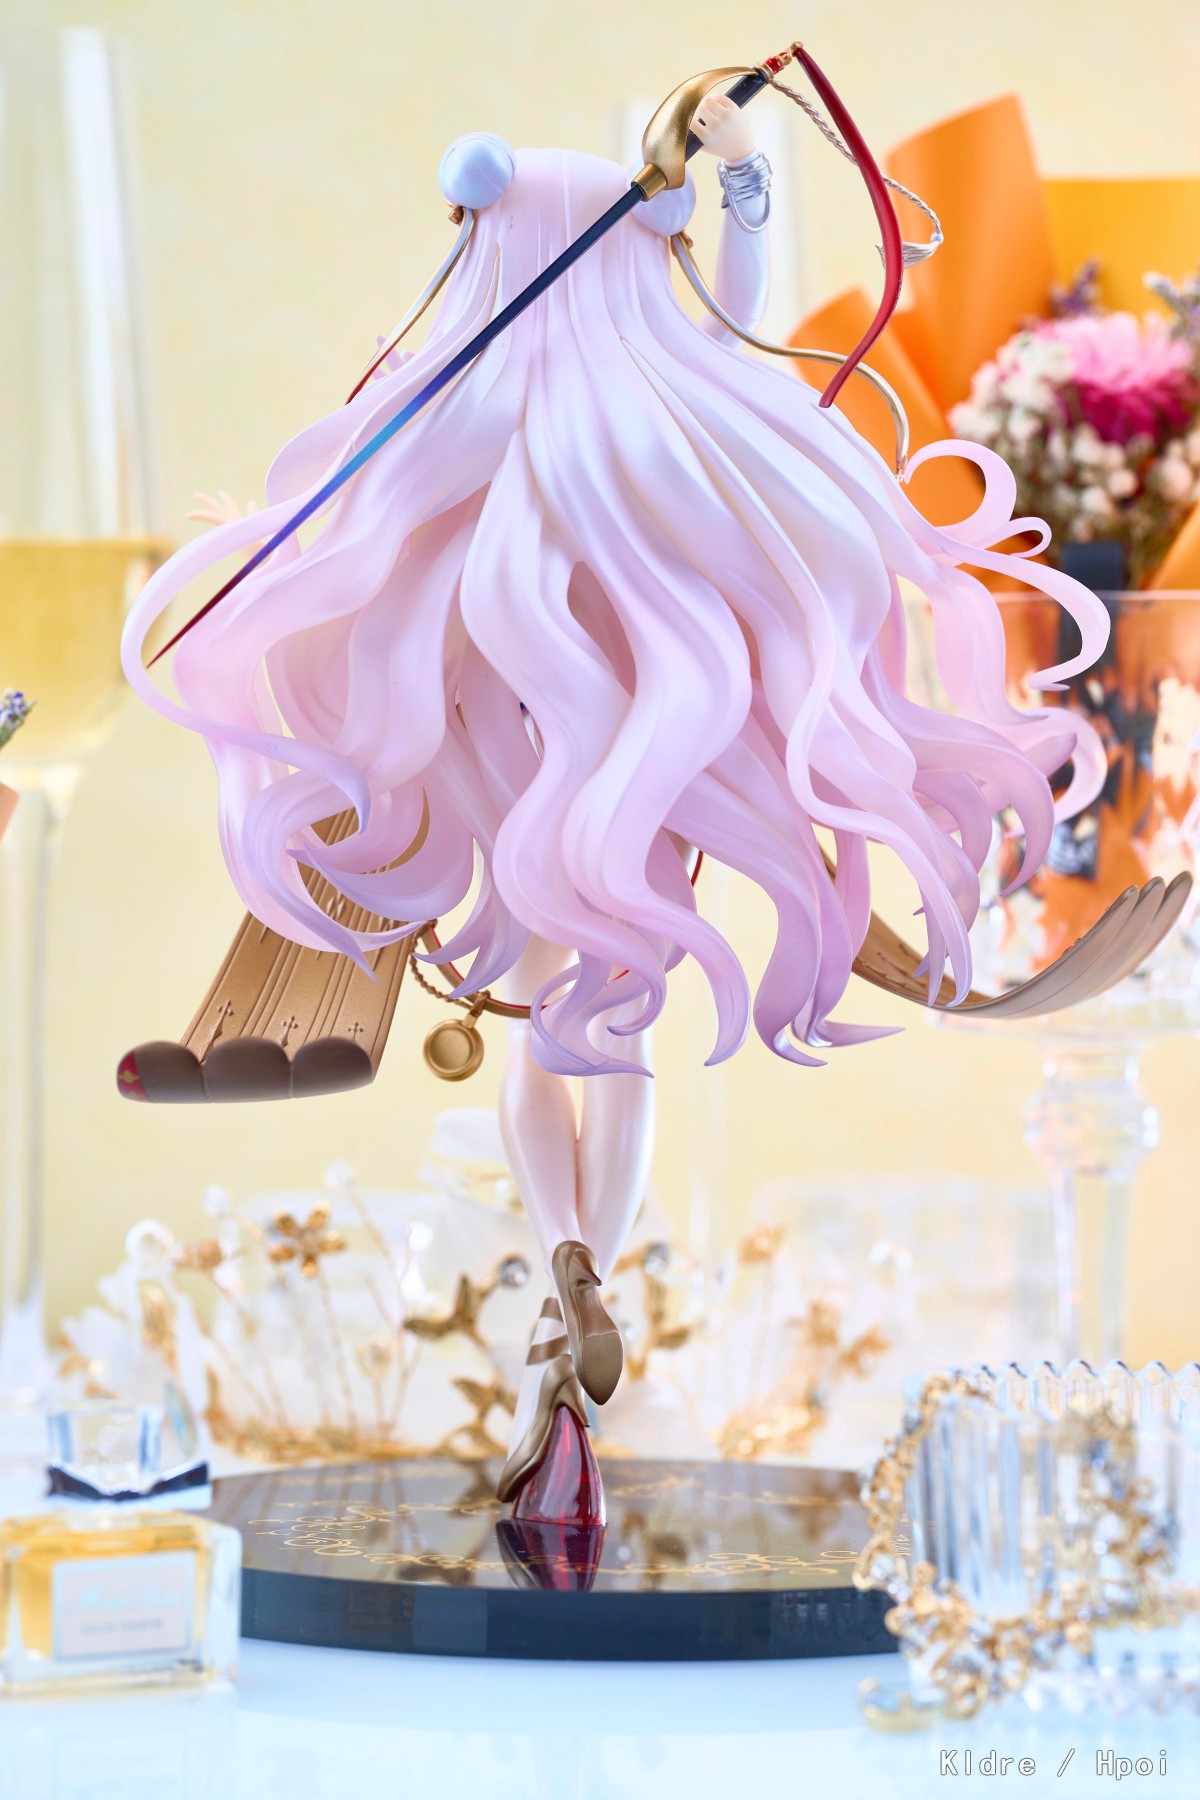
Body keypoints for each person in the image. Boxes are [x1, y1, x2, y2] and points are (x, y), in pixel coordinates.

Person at [123, 98, 1107, 1511]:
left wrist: (266, 553)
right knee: (619, 1044)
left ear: (484, 235)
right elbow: (743, 318)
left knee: (541, 1045)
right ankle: (601, 1282)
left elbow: (352, 537)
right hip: (653, 781)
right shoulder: (669, 441)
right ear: (645, 247)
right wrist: (742, 170)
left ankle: (563, 1264)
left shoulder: (458, 437)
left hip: (527, 787)